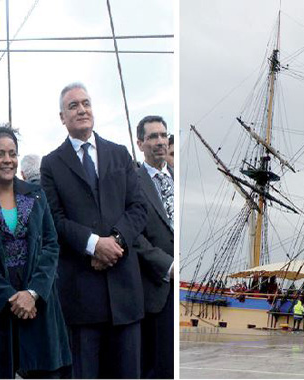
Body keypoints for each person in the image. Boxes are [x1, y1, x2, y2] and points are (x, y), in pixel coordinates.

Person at [40, 83, 147, 378]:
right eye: (73, 106)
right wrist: (93, 244)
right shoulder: (51, 164)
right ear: (62, 117)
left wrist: (115, 242)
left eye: (86, 103)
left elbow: (138, 208)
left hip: (124, 292)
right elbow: (54, 219)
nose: (82, 110)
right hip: (81, 295)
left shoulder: (120, 154)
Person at [0, 126, 71, 378]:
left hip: (39, 307)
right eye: (0, 154)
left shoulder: (36, 195)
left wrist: (33, 294)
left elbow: (50, 245)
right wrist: (12, 299)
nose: (8, 160)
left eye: (12, 153)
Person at [133, 115, 174, 379]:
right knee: (157, 365)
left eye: (163, 136)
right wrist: (166, 265)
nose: (160, 142)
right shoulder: (133, 182)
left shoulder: (178, 177)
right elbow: (132, 233)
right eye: (152, 137)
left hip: (178, 280)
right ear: (140, 144)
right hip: (155, 283)